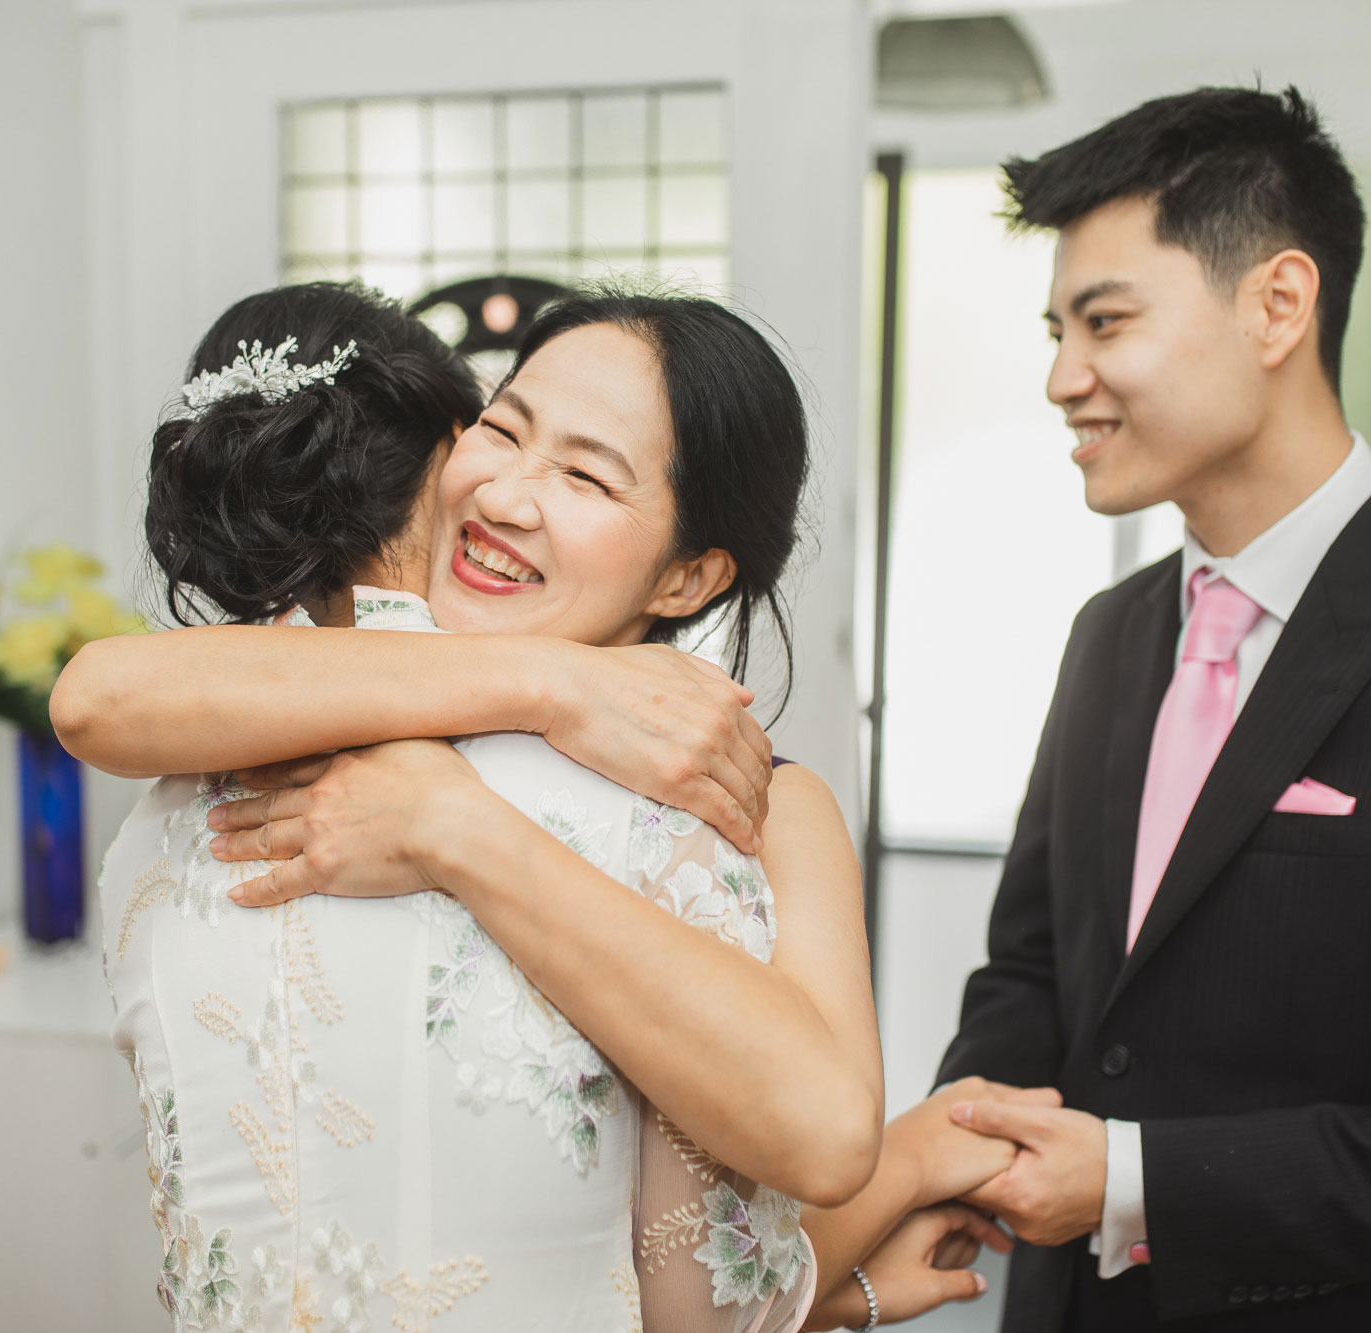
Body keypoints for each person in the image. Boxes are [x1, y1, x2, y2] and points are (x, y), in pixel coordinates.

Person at [62, 282, 1009, 1331]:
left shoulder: (194, 776)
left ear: (690, 575)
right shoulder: (666, 820)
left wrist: (453, 823)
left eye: (584, 475)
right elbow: (699, 1305)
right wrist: (884, 1213)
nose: (507, 494)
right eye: (503, 428)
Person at [916, 86, 1371, 1331]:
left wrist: (1129, 1179)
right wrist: (961, 1133)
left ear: (1277, 304)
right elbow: (1032, 973)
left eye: (1104, 321)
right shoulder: (1108, 637)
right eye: (1054, 329)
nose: (1063, 378)